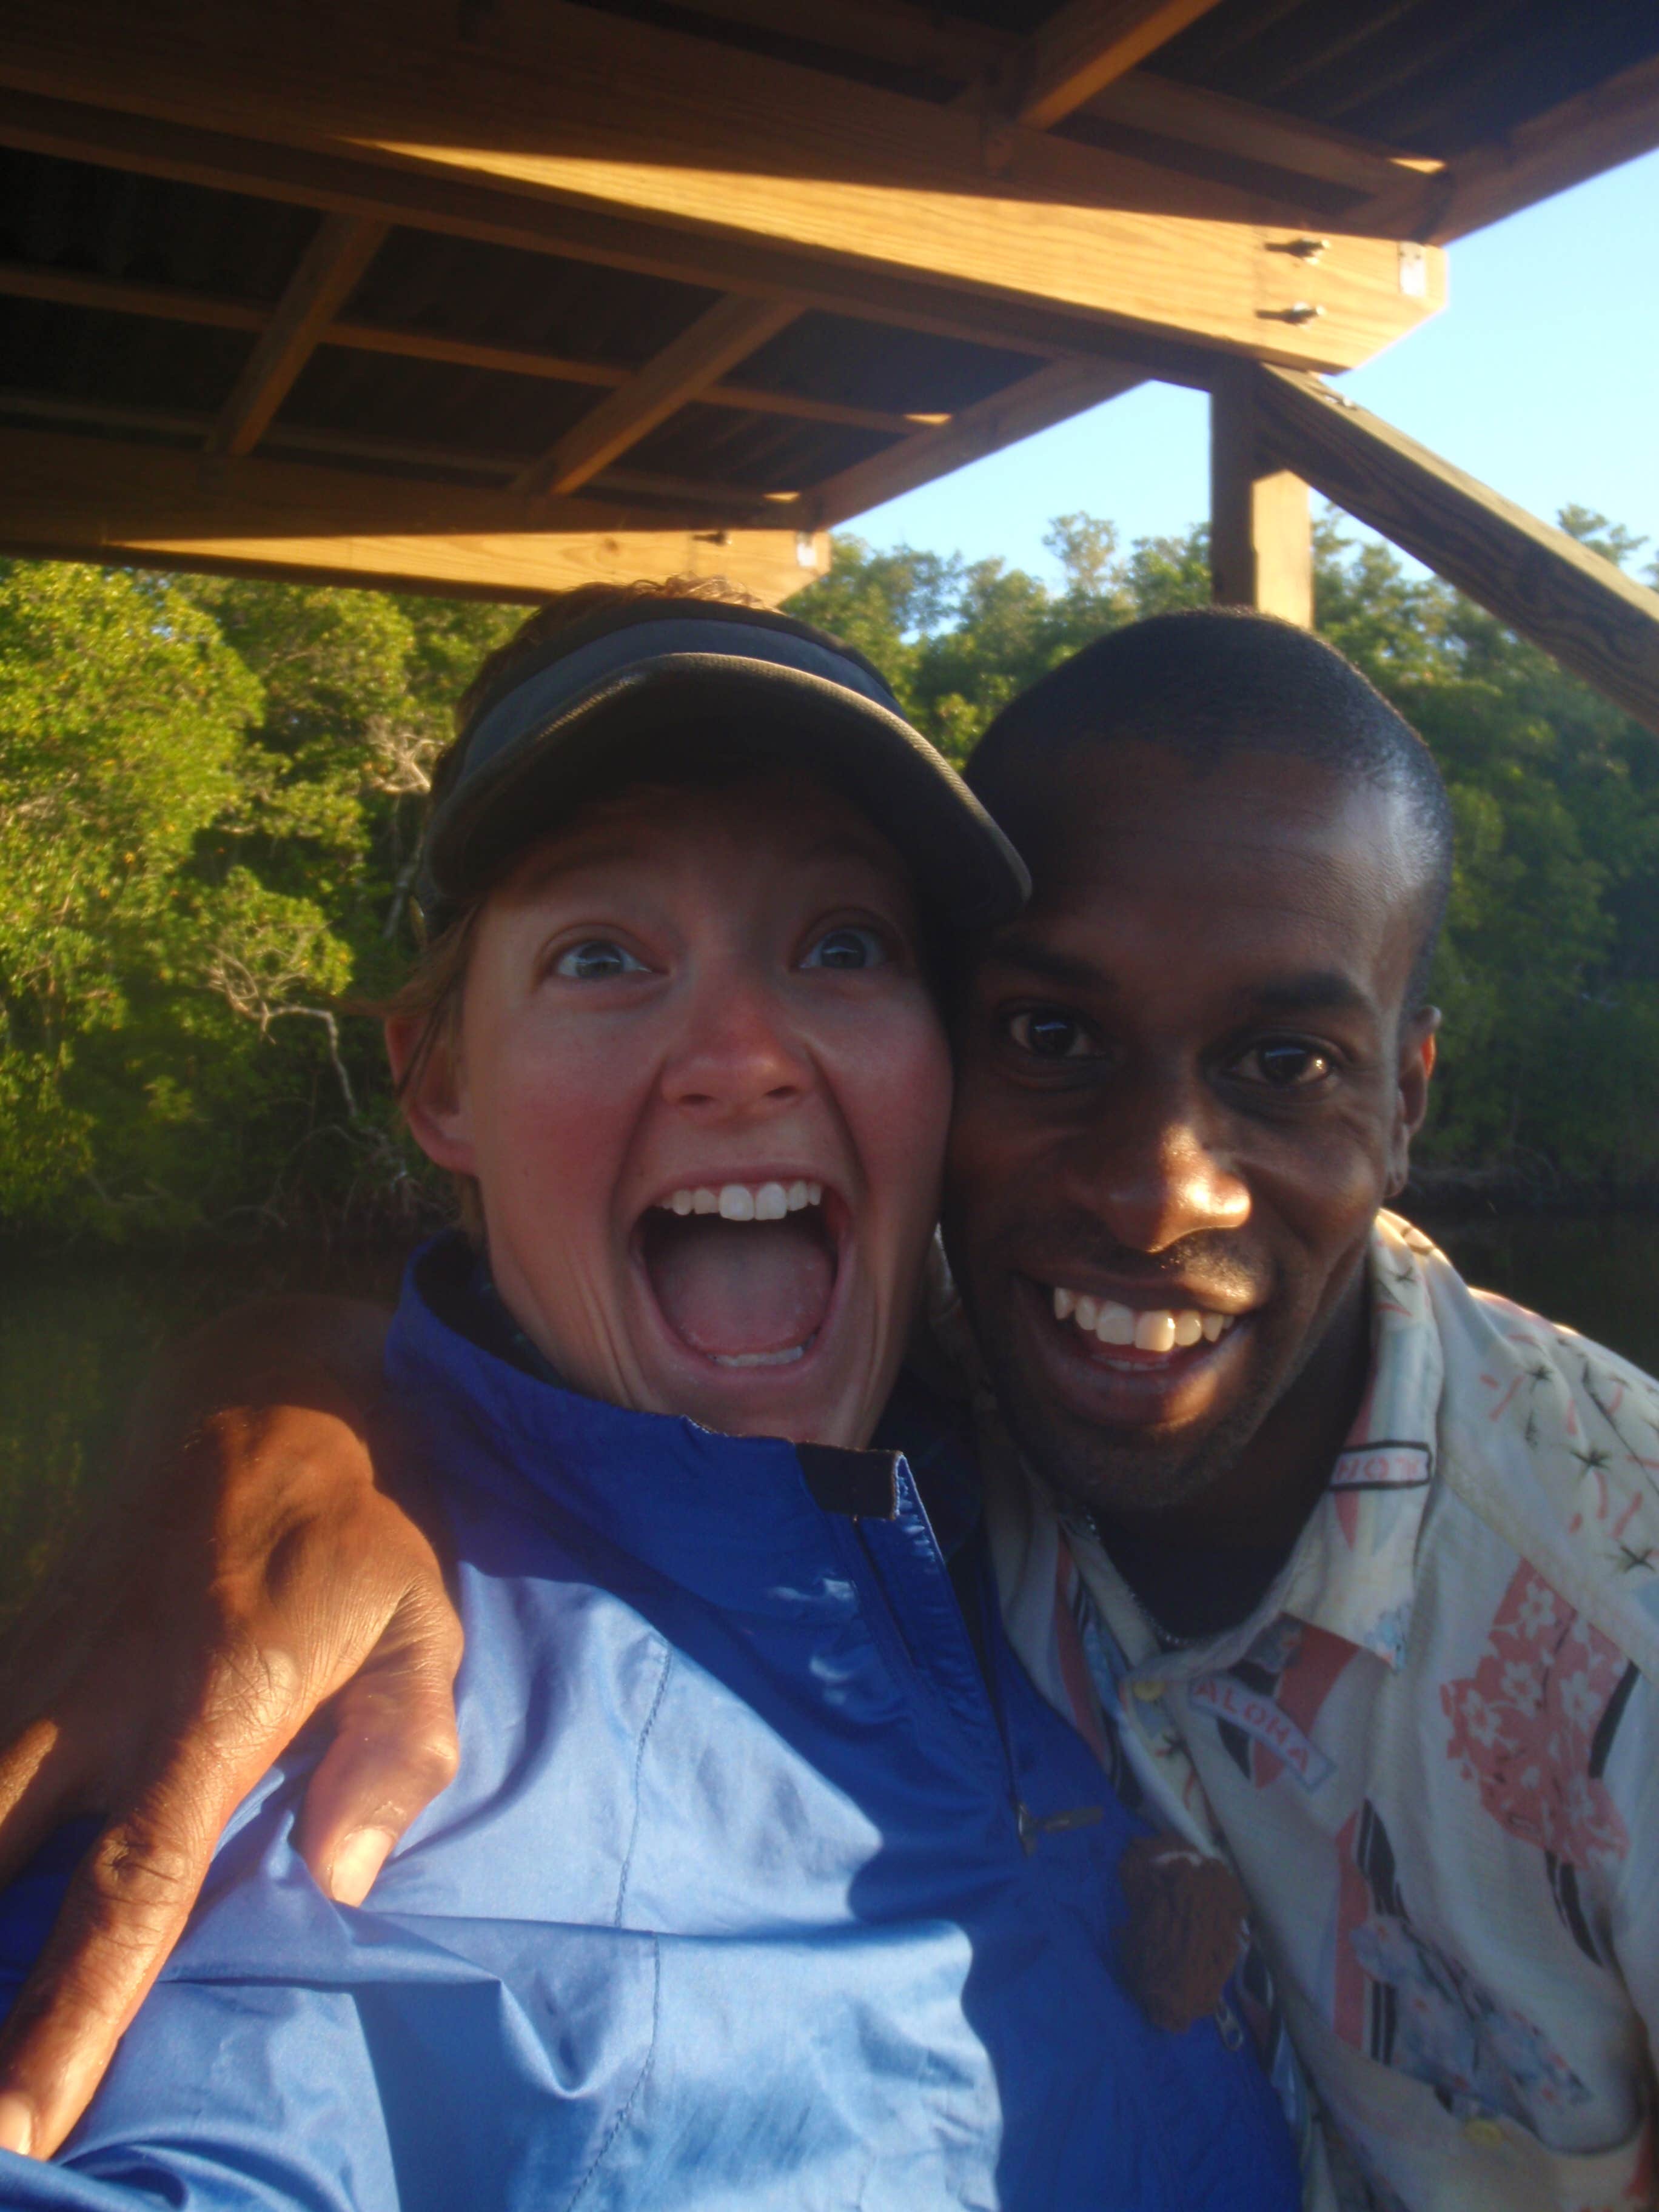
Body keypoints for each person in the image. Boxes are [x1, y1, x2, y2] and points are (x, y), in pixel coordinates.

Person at [5, 605, 1655, 2210]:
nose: (1161, 1195)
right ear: (439, 1077)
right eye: (602, 954)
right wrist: (286, 1394)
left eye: (842, 946)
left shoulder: (1006, 1431)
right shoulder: (324, 1772)